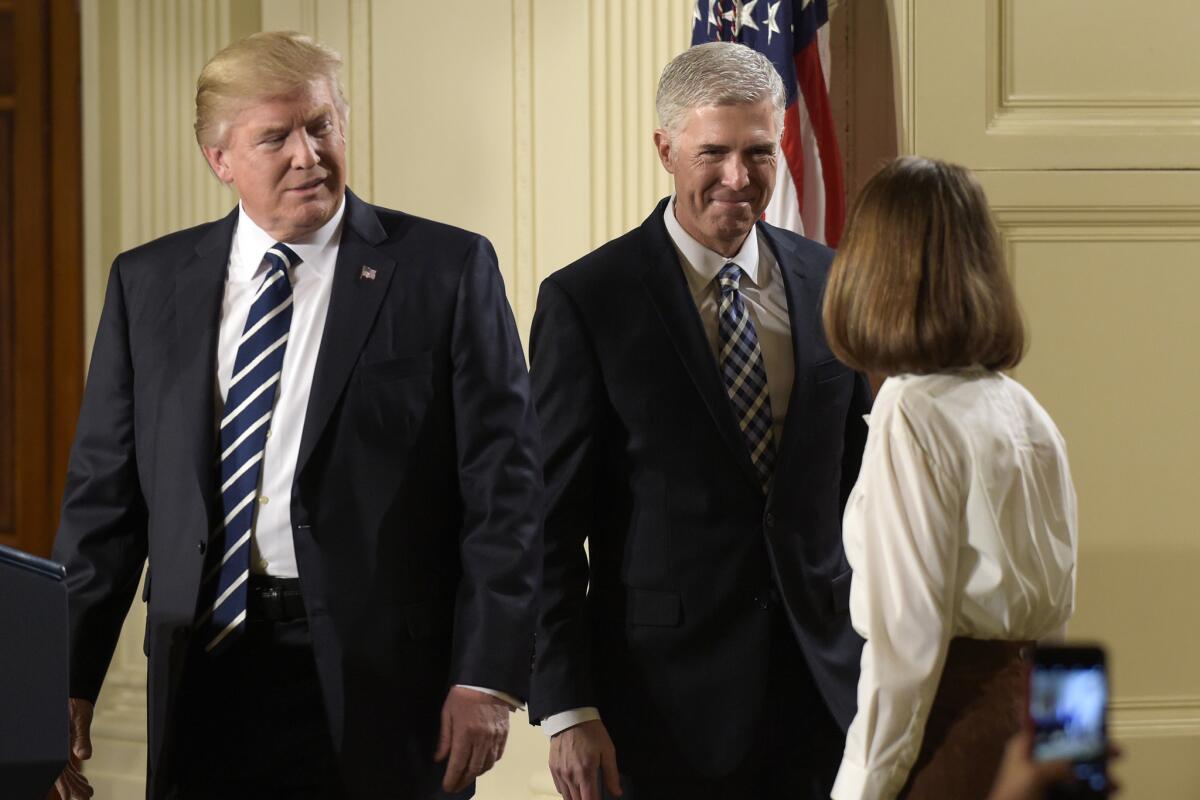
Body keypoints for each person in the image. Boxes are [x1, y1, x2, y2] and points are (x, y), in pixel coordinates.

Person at [50, 31, 542, 800]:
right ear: (221, 160)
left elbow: (505, 492)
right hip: (203, 671)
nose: (308, 154)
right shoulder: (148, 284)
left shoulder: (444, 270)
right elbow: (102, 508)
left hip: (384, 682)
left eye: (321, 125)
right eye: (275, 136)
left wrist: (486, 675)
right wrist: (64, 680)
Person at [528, 41, 872, 800]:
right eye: (712, 152)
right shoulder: (589, 301)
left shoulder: (832, 280)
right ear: (665, 149)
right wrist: (568, 709)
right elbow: (548, 525)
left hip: (827, 694)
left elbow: (863, 488)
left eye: (758, 152)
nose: (736, 179)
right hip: (657, 709)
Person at [823, 156, 1078, 800]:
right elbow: (1060, 615)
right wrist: (1073, 749)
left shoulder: (912, 409)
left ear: (876, 268)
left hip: (953, 729)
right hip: (1035, 726)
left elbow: (907, 643)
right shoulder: (1023, 408)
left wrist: (860, 789)